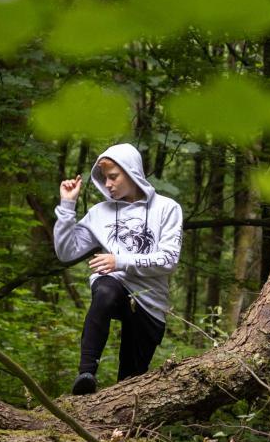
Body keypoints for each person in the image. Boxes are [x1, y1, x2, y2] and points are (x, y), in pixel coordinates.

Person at [53, 143, 183, 396]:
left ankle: (119, 426)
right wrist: (67, 206)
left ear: (131, 171)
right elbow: (66, 252)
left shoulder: (167, 208)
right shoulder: (99, 213)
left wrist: (120, 261)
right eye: (104, 178)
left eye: (113, 177)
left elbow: (168, 260)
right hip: (116, 285)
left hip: (150, 302)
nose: (108, 184)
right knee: (105, 289)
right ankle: (86, 374)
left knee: (130, 382)